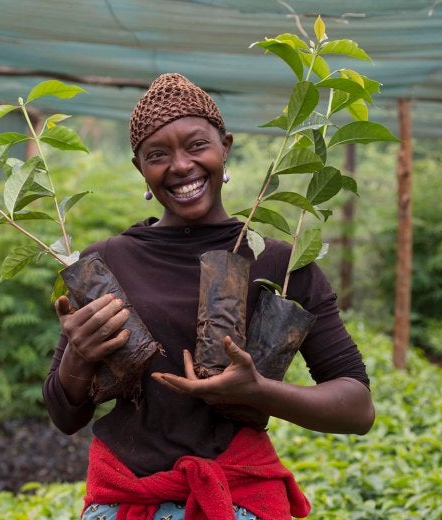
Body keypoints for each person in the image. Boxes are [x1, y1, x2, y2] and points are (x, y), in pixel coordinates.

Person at [43, 73, 375, 520]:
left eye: (196, 145)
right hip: (125, 501)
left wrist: (260, 392)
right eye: (158, 155)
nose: (180, 166)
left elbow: (357, 408)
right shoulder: (105, 263)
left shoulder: (281, 264)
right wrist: (78, 357)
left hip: (238, 502)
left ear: (226, 147)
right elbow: (65, 416)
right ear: (140, 168)